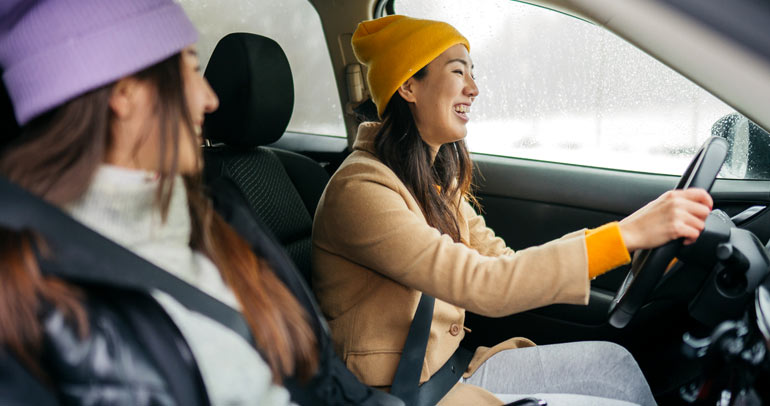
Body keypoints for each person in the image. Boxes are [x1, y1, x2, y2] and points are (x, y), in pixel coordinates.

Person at [0, 1, 400, 405]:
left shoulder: (219, 207)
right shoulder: (26, 288)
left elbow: (322, 377)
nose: (209, 99)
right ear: (123, 93)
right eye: (190, 69)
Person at [311, 15, 714, 406]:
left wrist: (627, 248)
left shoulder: (431, 183)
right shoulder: (361, 190)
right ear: (408, 87)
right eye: (457, 72)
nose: (474, 88)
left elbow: (506, 263)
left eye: (473, 72)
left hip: (449, 371)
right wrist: (628, 233)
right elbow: (484, 283)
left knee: (615, 364)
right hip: (399, 393)